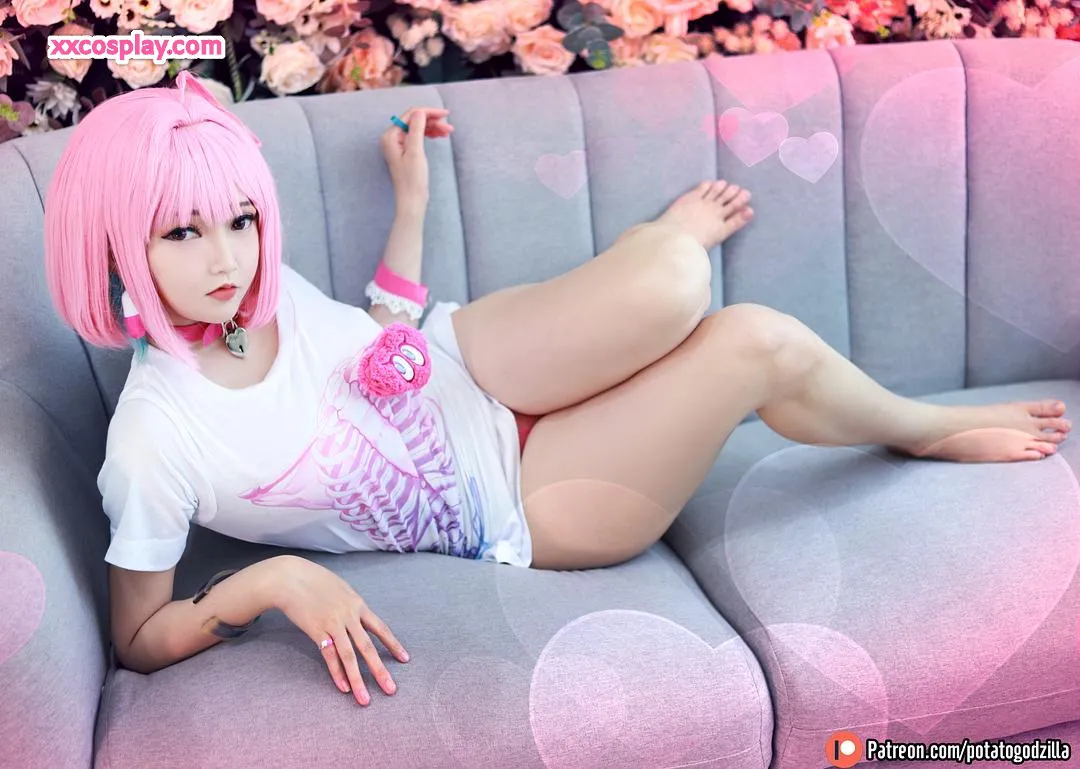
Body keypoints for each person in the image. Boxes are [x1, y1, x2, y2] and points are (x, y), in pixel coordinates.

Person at [42, 71, 1069, 709]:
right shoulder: (156, 438)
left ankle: (656, 256)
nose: (227, 258)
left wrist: (412, 203)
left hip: (473, 359)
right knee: (754, 340)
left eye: (241, 220)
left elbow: (375, 342)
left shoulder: (253, 292)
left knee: (675, 279)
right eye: (183, 233)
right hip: (519, 497)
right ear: (117, 244)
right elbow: (136, 640)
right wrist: (269, 581)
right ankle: (924, 428)